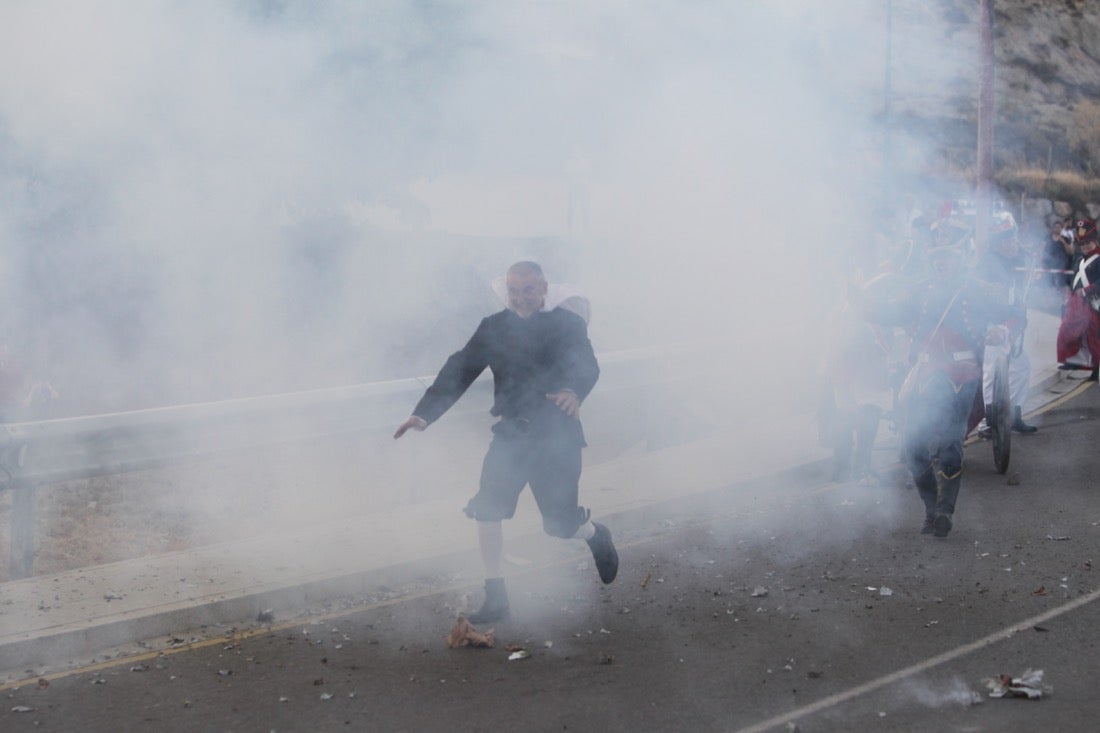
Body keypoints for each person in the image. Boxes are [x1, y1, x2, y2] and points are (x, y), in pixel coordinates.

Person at [394, 261, 618, 623]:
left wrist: (573, 391)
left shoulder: (567, 324)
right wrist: (424, 415)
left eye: (528, 290)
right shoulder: (494, 327)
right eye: (514, 291)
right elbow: (461, 367)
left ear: (543, 288)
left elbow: (587, 364)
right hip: (512, 434)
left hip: (556, 435)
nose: (521, 298)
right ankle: (496, 596)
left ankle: (594, 534)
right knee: (487, 509)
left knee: (559, 525)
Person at [863, 237, 1010, 538]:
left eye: (947, 258)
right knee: (913, 447)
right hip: (926, 374)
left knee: (951, 446)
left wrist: (1000, 328)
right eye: (937, 259)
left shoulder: (975, 289)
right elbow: (892, 314)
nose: (942, 263)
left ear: (958, 260)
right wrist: (862, 304)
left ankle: (944, 510)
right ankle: (931, 509)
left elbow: (1012, 311)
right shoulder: (919, 291)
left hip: (962, 375)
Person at [973, 211, 1038, 436]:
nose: (1012, 243)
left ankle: (1013, 415)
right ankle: (987, 423)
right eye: (1007, 239)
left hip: (1011, 323)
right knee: (991, 370)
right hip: (993, 324)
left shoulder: (1013, 260)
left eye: (1012, 238)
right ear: (998, 243)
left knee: (1021, 367)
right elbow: (986, 300)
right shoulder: (987, 264)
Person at [1056, 218, 1100, 381]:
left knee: (1093, 336)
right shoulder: (1079, 260)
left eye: (1087, 243)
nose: (1085, 247)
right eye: (1082, 244)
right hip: (1077, 304)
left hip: (1094, 303)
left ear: (1094, 241)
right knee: (1068, 331)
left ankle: (1096, 367)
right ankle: (1072, 360)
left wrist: (1088, 291)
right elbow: (1074, 279)